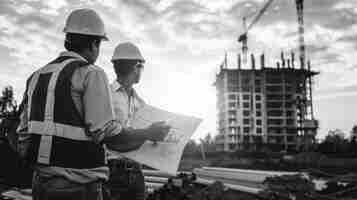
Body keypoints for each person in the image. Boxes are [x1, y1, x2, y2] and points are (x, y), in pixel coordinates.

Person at [16, 9, 170, 200]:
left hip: (40, 184)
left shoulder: (36, 76)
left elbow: (22, 134)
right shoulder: (90, 73)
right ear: (94, 43)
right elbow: (108, 134)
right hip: (78, 186)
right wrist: (148, 133)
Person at [104, 42, 154, 200]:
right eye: (141, 67)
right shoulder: (106, 95)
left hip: (136, 169)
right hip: (113, 170)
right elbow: (107, 135)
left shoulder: (140, 102)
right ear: (136, 66)